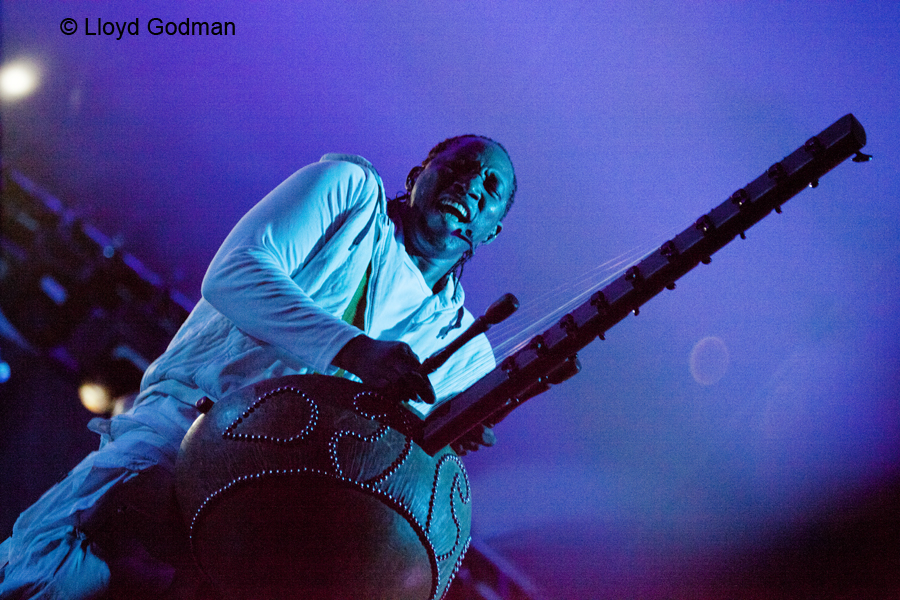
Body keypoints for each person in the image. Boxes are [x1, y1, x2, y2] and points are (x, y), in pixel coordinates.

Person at [0, 134, 517, 599]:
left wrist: (448, 435)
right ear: (417, 174)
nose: (471, 182)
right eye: (459, 165)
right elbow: (233, 275)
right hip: (179, 435)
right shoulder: (348, 193)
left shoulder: (468, 349)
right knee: (58, 575)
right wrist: (354, 350)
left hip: (278, 528)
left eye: (490, 185)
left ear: (493, 231)